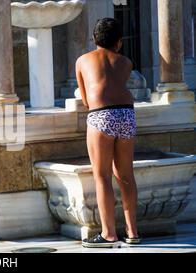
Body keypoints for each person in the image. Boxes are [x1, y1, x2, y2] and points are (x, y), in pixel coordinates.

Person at [75, 18, 141, 248]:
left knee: (102, 176)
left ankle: (109, 234)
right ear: (119, 42)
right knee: (126, 175)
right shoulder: (126, 62)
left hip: (102, 116)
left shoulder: (83, 60)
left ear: (94, 39)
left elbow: (85, 100)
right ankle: (132, 232)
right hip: (127, 114)